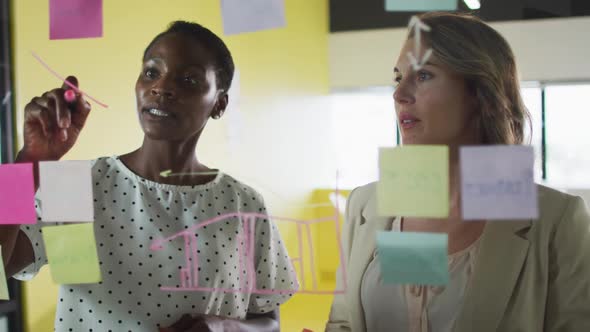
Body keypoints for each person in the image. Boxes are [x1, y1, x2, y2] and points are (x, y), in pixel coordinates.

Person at [0, 21, 297, 331]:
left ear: (219, 103)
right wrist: (28, 162)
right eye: (152, 73)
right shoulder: (79, 188)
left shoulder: (243, 204)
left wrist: (222, 327)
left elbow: (268, 320)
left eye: (188, 79)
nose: (162, 87)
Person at [326, 12, 590, 332]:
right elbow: (345, 322)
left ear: (480, 93)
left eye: (423, 76)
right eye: (398, 78)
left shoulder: (557, 218)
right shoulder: (365, 204)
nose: (399, 94)